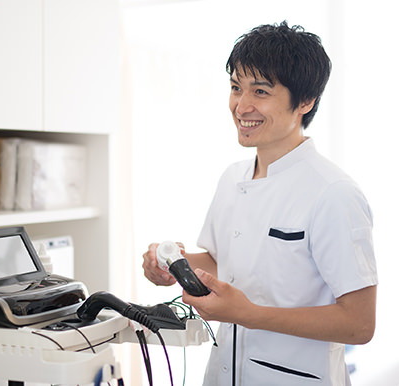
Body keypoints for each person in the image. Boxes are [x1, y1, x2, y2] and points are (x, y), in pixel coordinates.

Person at [142, 21, 377, 386]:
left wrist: (249, 314)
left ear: (305, 101)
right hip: (224, 372)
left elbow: (359, 324)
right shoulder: (232, 178)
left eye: (261, 91)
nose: (242, 105)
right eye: (236, 88)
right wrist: (174, 264)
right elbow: (228, 264)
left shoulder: (334, 193)